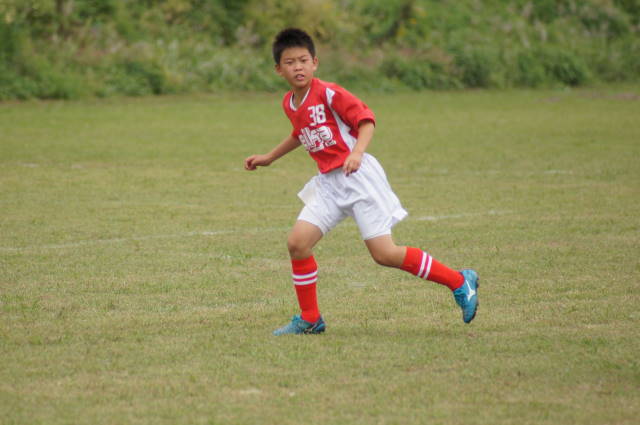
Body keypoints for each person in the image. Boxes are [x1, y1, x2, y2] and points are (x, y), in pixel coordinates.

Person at [244, 28, 479, 335]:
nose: (297, 67)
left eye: (303, 60)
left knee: (384, 254)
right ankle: (310, 318)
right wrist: (269, 157)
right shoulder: (289, 103)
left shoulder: (330, 93)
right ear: (279, 69)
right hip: (329, 183)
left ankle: (459, 282)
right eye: (290, 62)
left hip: (358, 178)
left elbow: (366, 120)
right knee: (297, 243)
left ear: (315, 63)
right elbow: (300, 133)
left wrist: (356, 153)